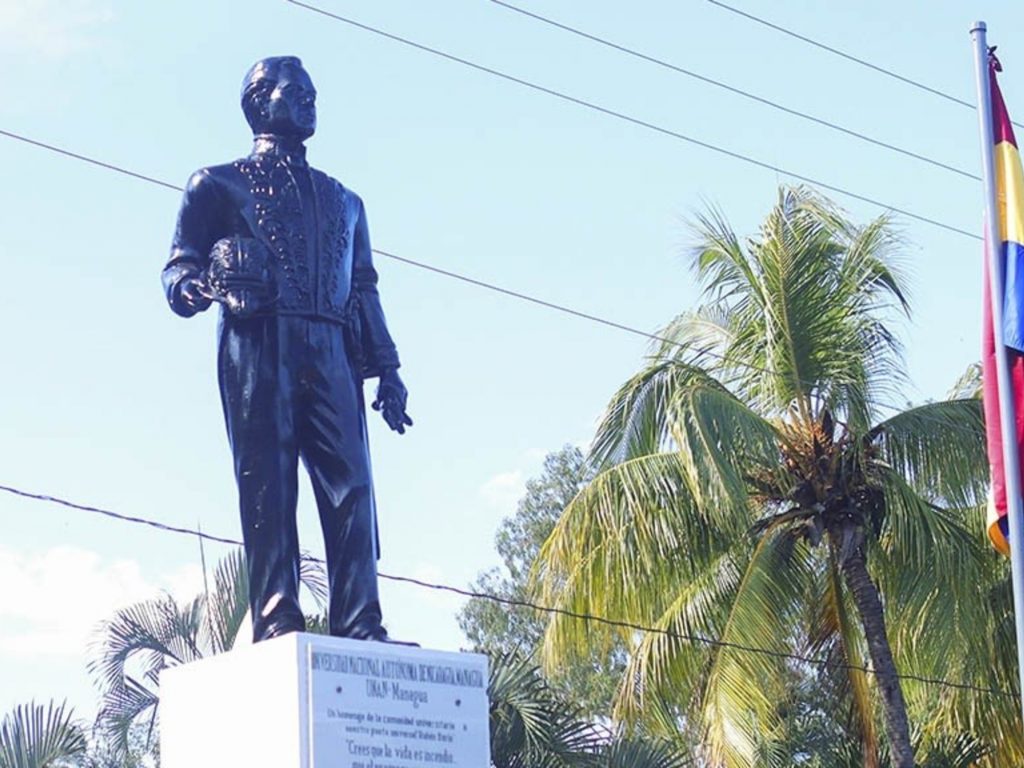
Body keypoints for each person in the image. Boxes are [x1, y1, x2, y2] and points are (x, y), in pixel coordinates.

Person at [162, 56, 412, 643]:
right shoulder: (216, 184)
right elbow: (179, 263)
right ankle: (277, 615)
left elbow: (366, 286)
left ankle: (361, 621)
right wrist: (192, 286)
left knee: (351, 485)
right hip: (258, 340)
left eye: (313, 93)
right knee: (268, 480)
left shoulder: (346, 201)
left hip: (332, 344)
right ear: (259, 102)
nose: (308, 100)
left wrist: (388, 369)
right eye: (294, 91)